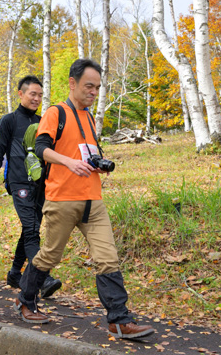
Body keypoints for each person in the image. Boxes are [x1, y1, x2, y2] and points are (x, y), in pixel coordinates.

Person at [15, 59, 154, 339]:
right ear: (72, 83)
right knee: (50, 255)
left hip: (93, 200)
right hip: (63, 199)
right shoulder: (56, 112)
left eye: (97, 88)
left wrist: (99, 163)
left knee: (108, 258)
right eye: (89, 86)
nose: (93, 92)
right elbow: (42, 148)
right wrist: (69, 162)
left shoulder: (90, 117)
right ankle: (25, 300)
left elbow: (88, 151)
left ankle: (119, 320)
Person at [0, 75, 62, 298]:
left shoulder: (42, 121)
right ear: (21, 94)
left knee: (32, 227)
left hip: (40, 184)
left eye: (40, 95)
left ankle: (14, 273)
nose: (36, 98)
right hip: (18, 182)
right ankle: (42, 277)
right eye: (32, 94)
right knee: (31, 228)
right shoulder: (9, 120)